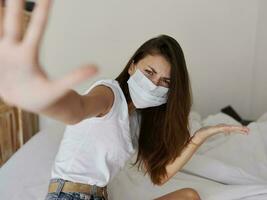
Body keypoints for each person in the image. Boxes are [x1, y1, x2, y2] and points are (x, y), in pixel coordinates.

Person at [0, 0, 250, 200]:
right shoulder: (109, 94)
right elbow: (77, 108)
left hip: (102, 197)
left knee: (188, 196)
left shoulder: (138, 120)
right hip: (70, 195)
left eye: (165, 82)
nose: (154, 85)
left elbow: (160, 177)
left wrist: (200, 136)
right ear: (132, 67)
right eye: (149, 72)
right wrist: (41, 101)